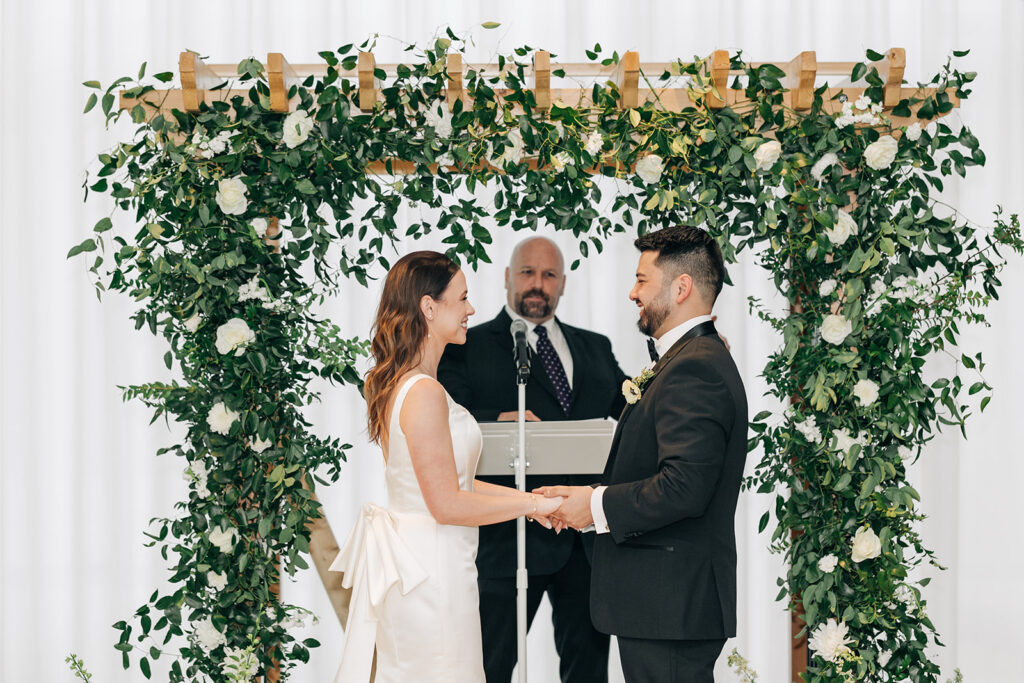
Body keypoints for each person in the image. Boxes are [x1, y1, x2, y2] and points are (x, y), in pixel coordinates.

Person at [329, 250, 563, 683]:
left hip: (432, 563)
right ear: (429, 307)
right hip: (431, 572)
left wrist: (534, 502)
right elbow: (446, 504)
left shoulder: (410, 384)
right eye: (462, 298)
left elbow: (458, 482)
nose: (471, 309)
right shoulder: (424, 393)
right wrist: (529, 507)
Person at [537, 226, 748, 683]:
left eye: (641, 280)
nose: (632, 293)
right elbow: (654, 470)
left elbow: (683, 487)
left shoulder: (694, 368)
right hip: (664, 604)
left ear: (681, 287)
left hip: (670, 604)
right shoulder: (687, 360)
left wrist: (593, 506)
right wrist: (586, 501)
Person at [438, 236, 628, 683]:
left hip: (585, 543)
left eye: (548, 275)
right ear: (507, 278)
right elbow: (447, 419)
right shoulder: (467, 344)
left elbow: (632, 409)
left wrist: (679, 365)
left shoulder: (595, 347)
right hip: (507, 541)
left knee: (588, 672)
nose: (537, 284)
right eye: (527, 272)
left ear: (563, 283)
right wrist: (498, 419)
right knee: (489, 668)